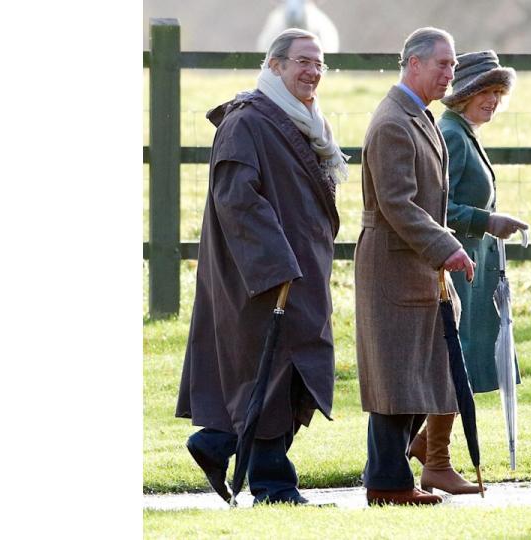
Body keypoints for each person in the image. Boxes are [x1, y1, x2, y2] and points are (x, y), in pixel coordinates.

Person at [175, 28, 346, 506]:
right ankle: (273, 484)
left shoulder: (305, 121)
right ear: (274, 66)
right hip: (262, 274)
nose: (312, 72)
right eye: (302, 62)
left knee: (287, 369)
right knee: (273, 369)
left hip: (300, 268)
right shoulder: (246, 121)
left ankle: (217, 444)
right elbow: (236, 199)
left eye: (319, 64)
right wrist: (276, 267)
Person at [354, 27, 476, 506]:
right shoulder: (392, 123)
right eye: (442, 64)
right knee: (395, 377)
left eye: (452, 65)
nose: (451, 73)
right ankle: (388, 485)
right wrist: (444, 246)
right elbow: (398, 205)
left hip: (416, 265)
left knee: (416, 372)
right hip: (393, 266)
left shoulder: (418, 116)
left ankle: (391, 473)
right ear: (413, 64)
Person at [406, 50, 528, 494]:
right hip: (456, 264)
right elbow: (439, 205)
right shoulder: (452, 134)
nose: (493, 100)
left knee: (457, 363)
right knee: (449, 363)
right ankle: (432, 458)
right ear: (463, 94)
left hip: (473, 267)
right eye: (484, 91)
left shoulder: (465, 131)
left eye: (498, 93)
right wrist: (487, 221)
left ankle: (424, 448)